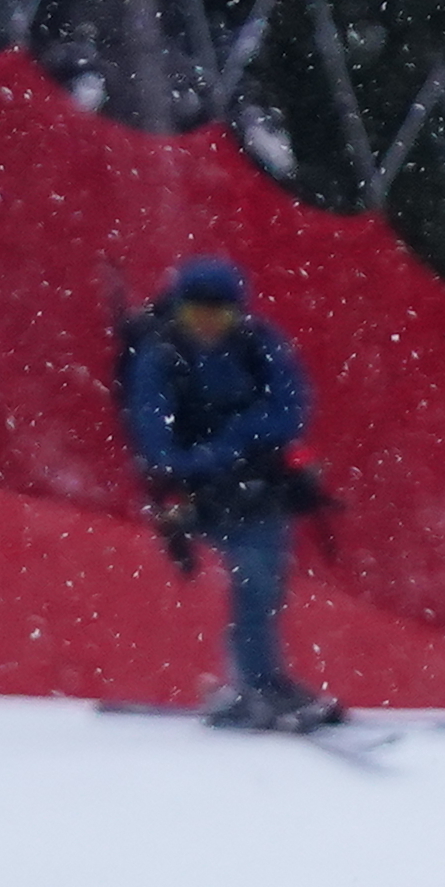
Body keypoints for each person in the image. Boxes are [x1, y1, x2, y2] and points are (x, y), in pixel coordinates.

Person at [122, 256, 338, 729]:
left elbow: (293, 409)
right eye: (194, 312)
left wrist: (230, 445)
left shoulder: (259, 348)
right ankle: (253, 683)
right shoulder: (161, 359)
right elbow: (156, 441)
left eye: (218, 313)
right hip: (199, 492)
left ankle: (256, 679)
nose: (206, 324)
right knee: (257, 571)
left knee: (263, 576)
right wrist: (226, 454)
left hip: (253, 487)